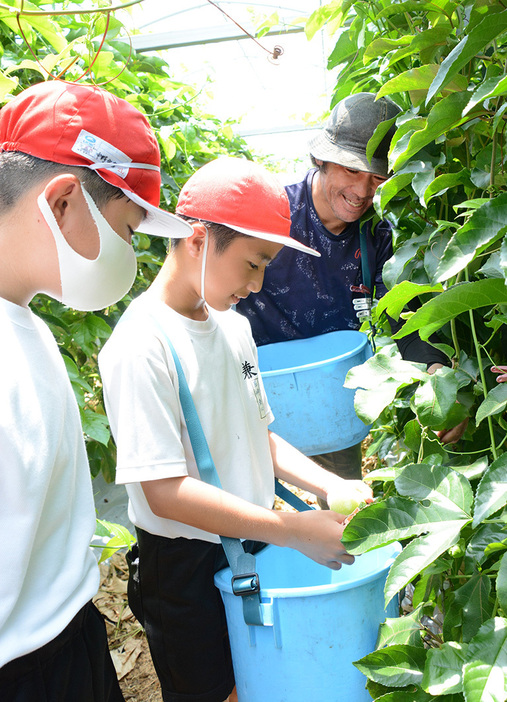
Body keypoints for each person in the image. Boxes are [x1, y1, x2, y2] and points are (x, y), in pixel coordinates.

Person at [98, 156, 372, 702]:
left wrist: (326, 485)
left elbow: (255, 432)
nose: (258, 283)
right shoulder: (141, 345)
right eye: (253, 262)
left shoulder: (233, 327)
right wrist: (293, 530)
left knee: (261, 678)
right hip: (185, 566)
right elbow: (163, 491)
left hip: (252, 538)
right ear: (197, 239)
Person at [0, 80, 192, 702]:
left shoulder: (27, 327)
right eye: (128, 227)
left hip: (65, 640)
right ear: (61, 203)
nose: (131, 251)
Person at [236, 92, 465, 495]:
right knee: (254, 521)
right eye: (351, 170)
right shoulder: (273, 215)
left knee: (345, 510)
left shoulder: (378, 236)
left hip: (330, 410)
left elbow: (400, 317)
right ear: (321, 160)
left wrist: (437, 376)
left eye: (377, 178)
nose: (363, 191)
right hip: (258, 405)